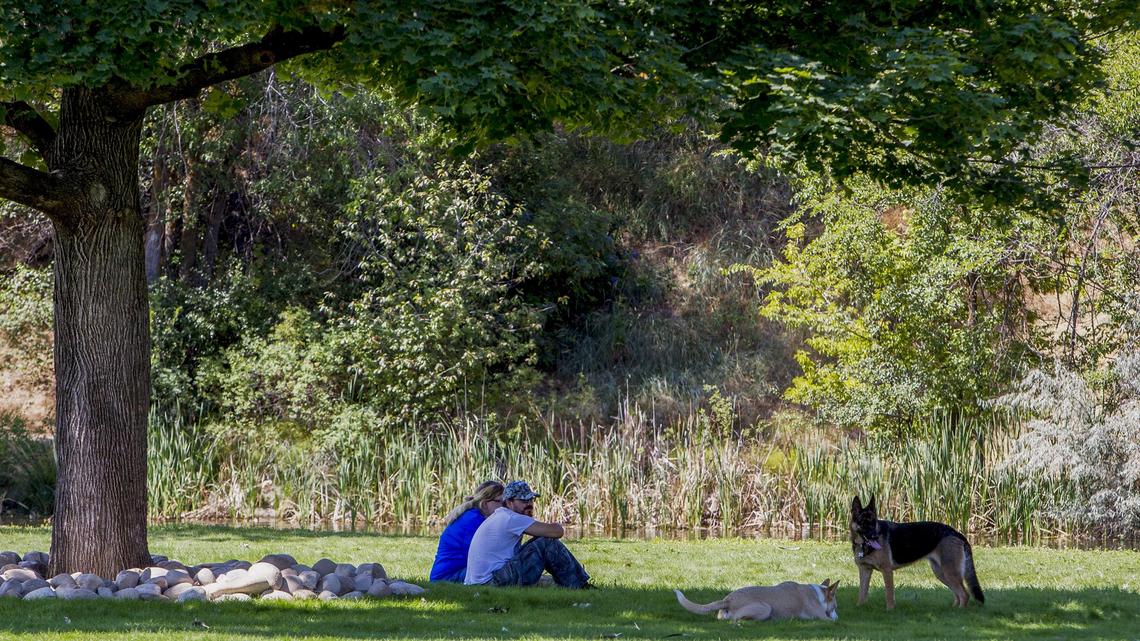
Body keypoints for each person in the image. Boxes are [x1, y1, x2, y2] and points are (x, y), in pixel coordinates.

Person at [464, 480, 591, 588]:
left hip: (480, 583)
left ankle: (575, 583)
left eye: (531, 499)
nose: (529, 504)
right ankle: (579, 585)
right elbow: (557, 532)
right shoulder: (510, 518)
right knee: (545, 542)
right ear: (509, 502)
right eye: (524, 500)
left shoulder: (501, 515)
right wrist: (556, 525)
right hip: (491, 583)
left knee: (539, 543)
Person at [430, 480, 504, 582]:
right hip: (447, 579)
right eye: (500, 501)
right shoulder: (475, 521)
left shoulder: (472, 514)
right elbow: (479, 556)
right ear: (485, 503)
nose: (504, 506)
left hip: (451, 574)